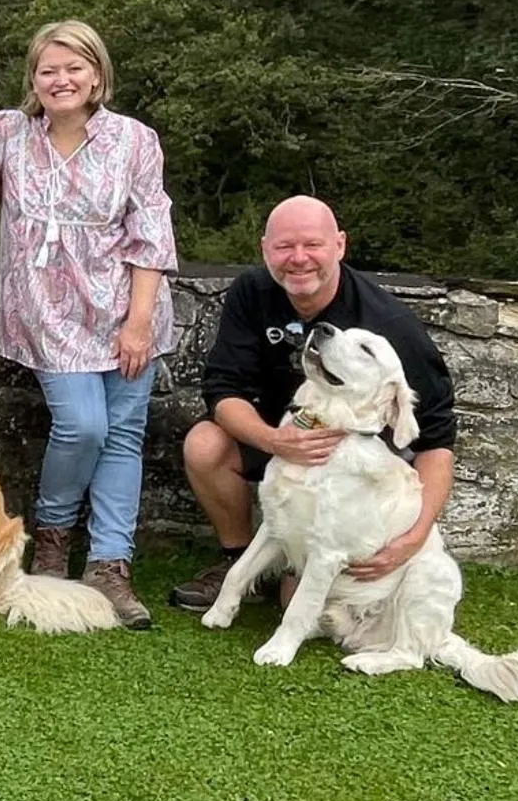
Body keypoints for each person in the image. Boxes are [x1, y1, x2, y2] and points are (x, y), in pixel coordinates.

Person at [0, 19, 176, 629]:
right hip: (50, 315)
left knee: (122, 435)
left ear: (97, 74)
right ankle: (51, 536)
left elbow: (151, 235)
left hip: (127, 308)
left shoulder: (134, 141)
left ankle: (110, 564)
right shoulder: (8, 134)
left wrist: (138, 322)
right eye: (48, 70)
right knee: (82, 426)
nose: (61, 80)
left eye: (74, 68)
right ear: (33, 79)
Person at [169, 195, 458, 613]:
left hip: (353, 468)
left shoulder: (389, 326)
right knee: (204, 444)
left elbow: (436, 439)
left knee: (296, 604)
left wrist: (414, 536)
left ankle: (293, 567)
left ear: (339, 245)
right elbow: (222, 391)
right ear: (265, 248)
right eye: (285, 247)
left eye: (313, 245)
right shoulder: (251, 293)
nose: (298, 259)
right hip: (278, 437)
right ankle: (237, 560)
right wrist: (274, 440)